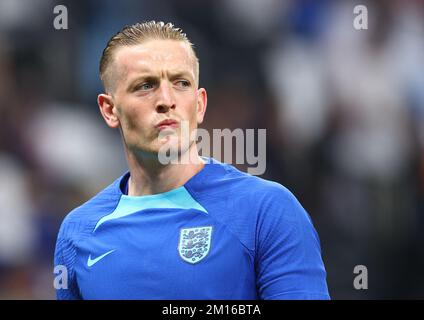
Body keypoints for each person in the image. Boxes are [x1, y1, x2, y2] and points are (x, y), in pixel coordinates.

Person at [54, 21, 330, 300]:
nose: (166, 100)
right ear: (110, 110)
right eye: (145, 85)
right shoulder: (77, 233)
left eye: (181, 83)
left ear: (199, 105)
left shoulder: (266, 211)